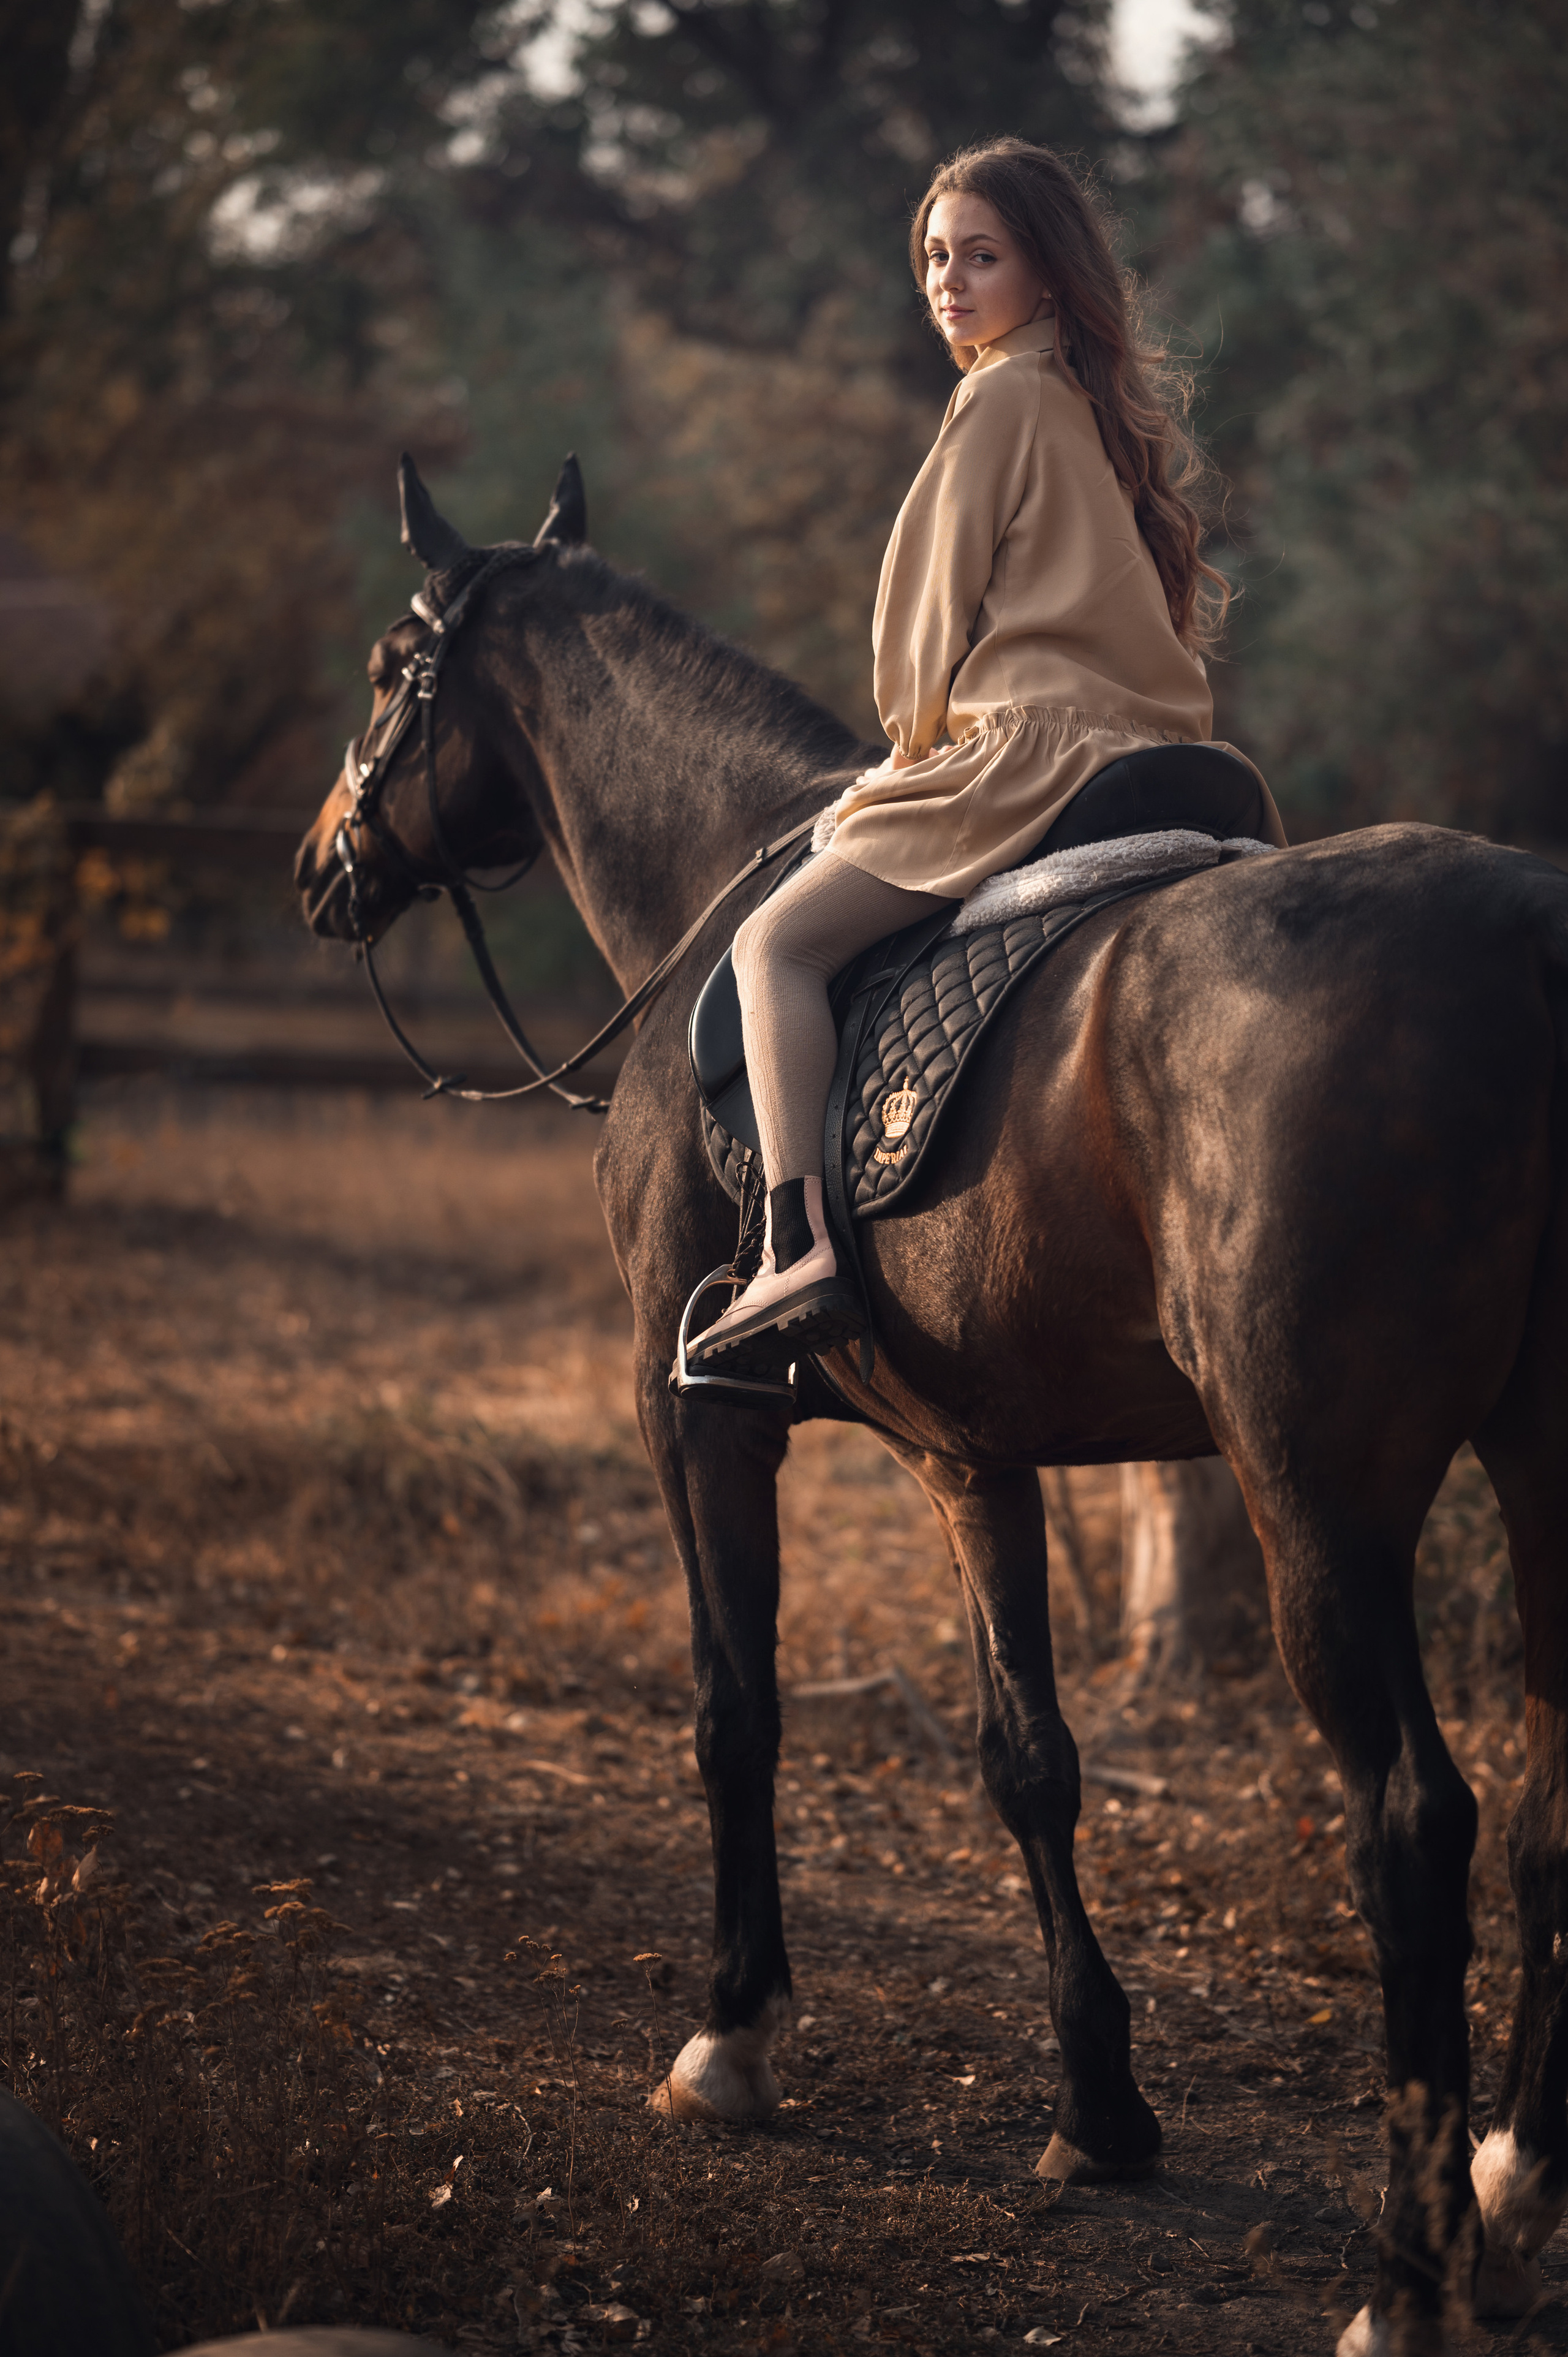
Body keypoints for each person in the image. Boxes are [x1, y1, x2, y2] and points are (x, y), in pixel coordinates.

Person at [687, 137, 1286, 1382]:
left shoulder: (998, 396)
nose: (946, 282)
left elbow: (919, 619)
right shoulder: (1095, 413)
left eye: (979, 256)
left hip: (1022, 757)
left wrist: (904, 748)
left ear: (1049, 277)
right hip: (1156, 748)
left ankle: (793, 1242)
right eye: (932, 258)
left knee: (774, 946)